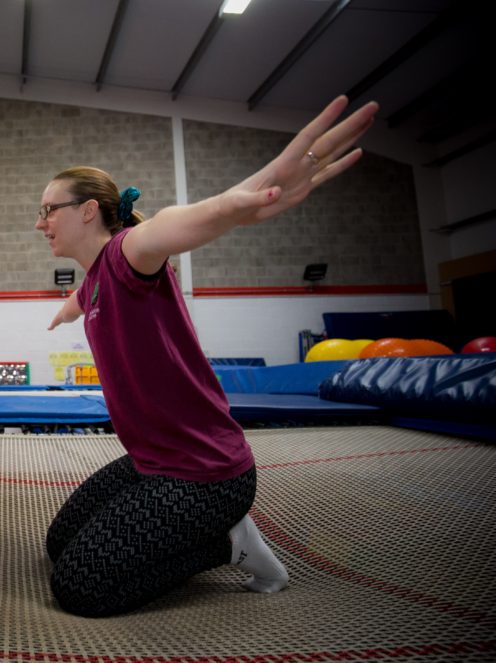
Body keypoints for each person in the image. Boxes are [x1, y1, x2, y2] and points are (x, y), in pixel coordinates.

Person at [38, 95, 379, 617]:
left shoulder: (129, 252)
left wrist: (246, 199)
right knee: (59, 545)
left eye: (48, 210)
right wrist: (68, 308)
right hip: (154, 462)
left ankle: (232, 545)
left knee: (80, 586)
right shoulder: (96, 281)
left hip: (206, 474)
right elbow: (87, 295)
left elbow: (182, 222)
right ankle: (205, 533)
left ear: (87, 211)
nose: (41, 223)